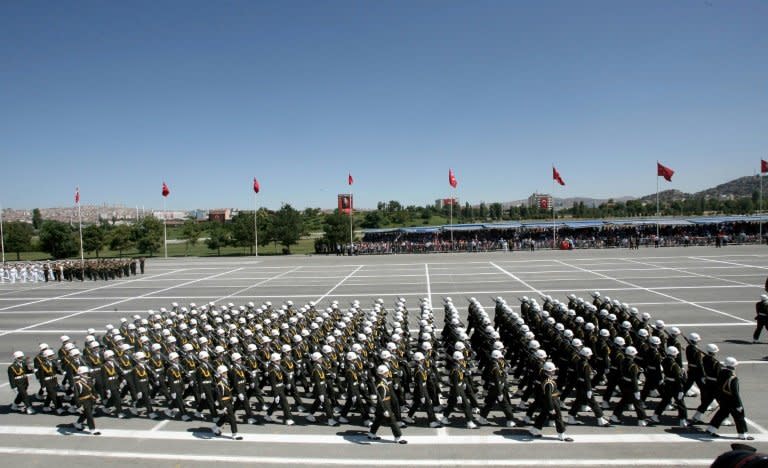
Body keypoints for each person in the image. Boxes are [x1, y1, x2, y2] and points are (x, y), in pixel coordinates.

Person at [706, 357, 753, 440]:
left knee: (721, 414)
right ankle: (742, 434)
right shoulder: (733, 378)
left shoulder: (721, 373)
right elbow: (735, 393)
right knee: (739, 417)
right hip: (732, 401)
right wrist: (739, 405)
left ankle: (711, 429)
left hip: (723, 399)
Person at [367, 364, 407, 444]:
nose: (388, 373)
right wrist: (385, 409)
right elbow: (381, 399)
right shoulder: (381, 385)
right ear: (382, 374)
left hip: (384, 404)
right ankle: (398, 437)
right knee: (392, 420)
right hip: (384, 405)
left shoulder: (383, 381)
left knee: (378, 419)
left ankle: (371, 433)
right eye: (386, 373)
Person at [73, 366, 101, 435]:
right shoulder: (78, 383)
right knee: (89, 415)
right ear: (80, 374)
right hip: (83, 401)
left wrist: (96, 397)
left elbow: (92, 389)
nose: (86, 375)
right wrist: (79, 406)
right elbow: (76, 396)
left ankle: (78, 423)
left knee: (85, 414)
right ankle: (92, 429)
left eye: (86, 373)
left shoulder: (89, 380)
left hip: (90, 399)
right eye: (84, 373)